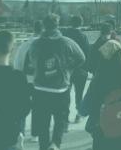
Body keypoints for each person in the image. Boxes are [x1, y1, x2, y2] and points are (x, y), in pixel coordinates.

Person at [25, 14, 86, 150]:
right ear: (57, 25)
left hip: (40, 88)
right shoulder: (66, 42)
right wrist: (68, 69)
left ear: (44, 26)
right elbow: (82, 57)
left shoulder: (35, 43)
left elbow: (30, 63)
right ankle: (55, 144)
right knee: (61, 118)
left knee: (43, 122)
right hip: (60, 88)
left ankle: (43, 146)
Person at [14, 20, 44, 143]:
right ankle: (35, 134)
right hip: (39, 82)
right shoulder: (44, 45)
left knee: (22, 107)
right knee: (38, 108)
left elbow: (17, 64)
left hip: (24, 80)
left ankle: (20, 132)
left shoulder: (25, 45)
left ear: (33, 29)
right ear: (43, 30)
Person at [61, 15, 90, 124]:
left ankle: (65, 116)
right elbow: (87, 53)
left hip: (67, 69)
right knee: (79, 93)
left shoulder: (65, 35)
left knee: (66, 94)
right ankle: (79, 114)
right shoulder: (83, 36)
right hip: (80, 69)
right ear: (81, 23)